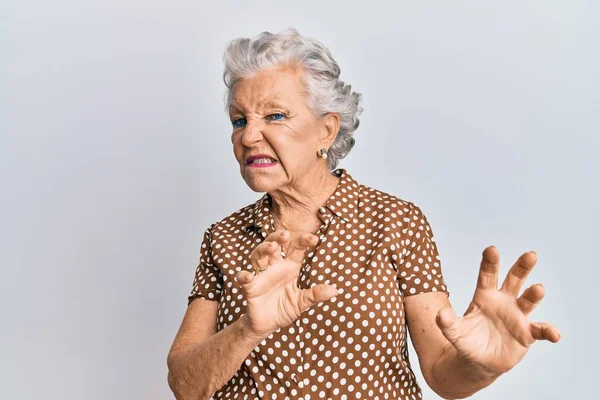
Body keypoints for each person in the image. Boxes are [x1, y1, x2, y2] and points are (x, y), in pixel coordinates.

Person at [167, 28, 561, 400]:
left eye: (275, 116)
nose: (249, 136)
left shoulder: (396, 221)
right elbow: (185, 384)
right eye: (240, 120)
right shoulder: (223, 237)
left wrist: (481, 367)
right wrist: (247, 330)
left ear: (326, 131)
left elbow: (443, 372)